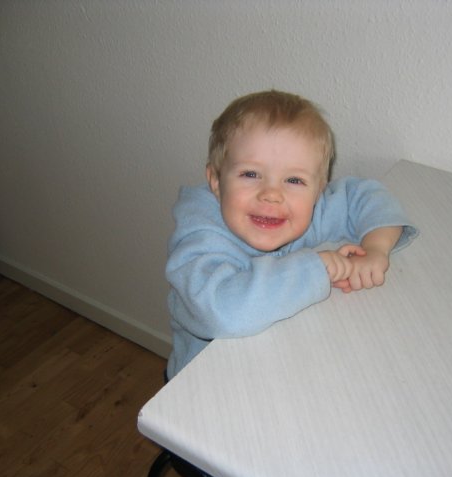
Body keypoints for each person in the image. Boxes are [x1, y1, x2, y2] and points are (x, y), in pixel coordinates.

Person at [165, 90, 418, 380]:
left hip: (280, 367)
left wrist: (376, 249)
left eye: (294, 180)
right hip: (206, 384)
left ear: (318, 191)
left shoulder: (307, 211)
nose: (272, 194)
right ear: (216, 181)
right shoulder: (201, 237)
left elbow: (366, 196)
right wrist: (317, 267)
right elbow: (223, 313)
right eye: (250, 174)